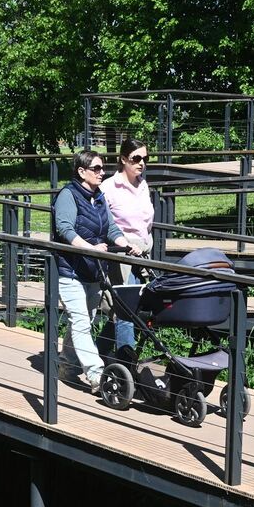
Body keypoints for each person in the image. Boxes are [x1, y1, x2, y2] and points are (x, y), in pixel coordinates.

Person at [50, 147, 129, 391]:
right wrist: (91, 248)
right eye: (96, 168)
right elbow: (65, 229)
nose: (101, 172)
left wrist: (127, 245)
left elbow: (111, 229)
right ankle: (96, 375)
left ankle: (67, 366)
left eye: (103, 168)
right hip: (70, 271)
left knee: (84, 321)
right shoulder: (68, 195)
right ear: (81, 171)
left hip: (93, 271)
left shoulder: (99, 196)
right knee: (82, 321)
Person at [99, 139, 154, 362]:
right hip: (121, 254)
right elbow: (103, 223)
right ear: (123, 159)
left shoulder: (143, 185)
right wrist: (121, 244)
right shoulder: (108, 188)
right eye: (136, 158)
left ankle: (97, 354)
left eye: (145, 158)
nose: (141, 163)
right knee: (126, 310)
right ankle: (126, 366)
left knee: (132, 309)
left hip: (143, 252)